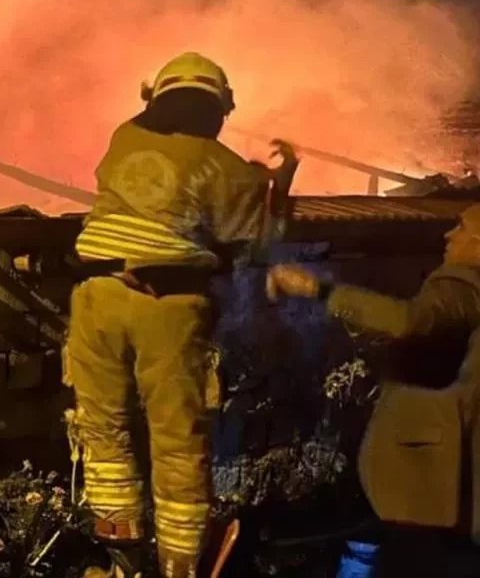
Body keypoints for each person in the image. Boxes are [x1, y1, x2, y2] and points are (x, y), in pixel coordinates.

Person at [68, 52, 299, 578]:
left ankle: (119, 555)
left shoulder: (124, 136)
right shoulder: (227, 169)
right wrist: (277, 186)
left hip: (95, 297)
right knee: (176, 438)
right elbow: (258, 243)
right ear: (220, 108)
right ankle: (180, 564)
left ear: (157, 98)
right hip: (169, 308)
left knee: (103, 428)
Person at [267, 204, 480, 577]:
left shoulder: (463, 285)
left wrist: (318, 289)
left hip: (431, 498)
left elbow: (409, 322)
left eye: (460, 226)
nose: (448, 235)